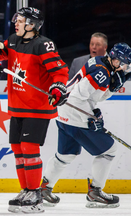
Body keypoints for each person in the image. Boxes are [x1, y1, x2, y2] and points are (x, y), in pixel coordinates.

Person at [0, 7, 69, 213]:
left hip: (37, 107)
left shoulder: (43, 45)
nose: (15, 23)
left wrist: (58, 87)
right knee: (17, 149)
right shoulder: (14, 40)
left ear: (31, 25)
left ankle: (35, 192)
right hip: (18, 106)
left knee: (29, 149)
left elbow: (59, 71)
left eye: (20, 21)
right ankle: (25, 190)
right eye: (16, 20)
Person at [40, 43, 131, 208]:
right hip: (74, 115)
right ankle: (95, 191)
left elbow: (93, 96)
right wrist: (91, 117)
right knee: (109, 151)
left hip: (64, 115)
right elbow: (77, 97)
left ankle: (44, 188)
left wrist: (111, 89)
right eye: (123, 63)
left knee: (66, 155)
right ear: (115, 60)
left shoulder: (99, 62)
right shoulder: (102, 73)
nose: (125, 67)